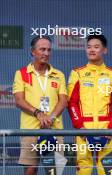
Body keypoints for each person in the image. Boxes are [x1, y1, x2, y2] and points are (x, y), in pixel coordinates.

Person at [13, 36, 67, 175]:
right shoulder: (21, 74)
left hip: (54, 130)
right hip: (30, 130)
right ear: (32, 51)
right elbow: (19, 100)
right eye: (42, 49)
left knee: (54, 172)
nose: (46, 53)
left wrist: (51, 118)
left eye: (49, 50)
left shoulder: (58, 74)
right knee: (30, 171)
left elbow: (63, 101)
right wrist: (39, 114)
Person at [68, 34, 112, 175]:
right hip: (84, 129)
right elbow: (72, 103)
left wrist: (111, 128)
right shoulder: (77, 73)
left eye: (96, 47)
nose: (91, 50)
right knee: (83, 169)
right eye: (89, 47)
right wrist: (79, 127)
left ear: (105, 50)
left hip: (106, 129)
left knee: (107, 169)